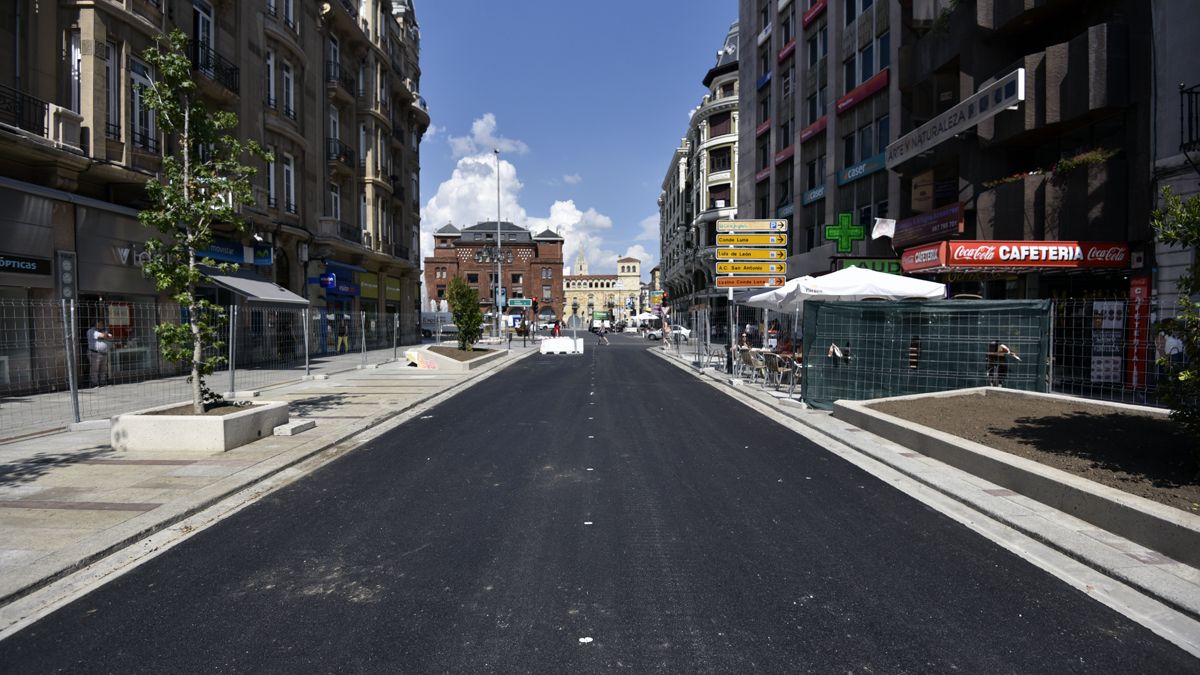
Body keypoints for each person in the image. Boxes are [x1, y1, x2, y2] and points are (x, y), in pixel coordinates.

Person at [87, 318, 113, 388]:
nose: (102, 325)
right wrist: (105, 336)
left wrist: (105, 336)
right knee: (95, 369)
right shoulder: (91, 331)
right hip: (95, 353)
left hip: (104, 353)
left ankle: (103, 382)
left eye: (102, 324)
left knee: (103, 369)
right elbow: (104, 336)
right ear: (96, 324)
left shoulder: (103, 331)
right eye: (100, 323)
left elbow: (110, 336)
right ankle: (94, 383)